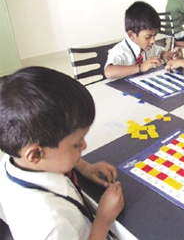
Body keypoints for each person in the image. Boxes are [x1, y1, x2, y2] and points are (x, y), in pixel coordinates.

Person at [0, 66, 124, 240]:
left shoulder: (13, 157)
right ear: (35, 155)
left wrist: (84, 167)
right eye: (76, 144)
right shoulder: (51, 224)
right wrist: (103, 220)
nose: (85, 146)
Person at [104, 1, 174, 80]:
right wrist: (141, 67)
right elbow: (109, 72)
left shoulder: (149, 47)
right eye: (148, 37)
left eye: (155, 35)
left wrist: (165, 55)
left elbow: (159, 52)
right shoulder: (120, 51)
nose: (153, 41)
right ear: (131, 35)